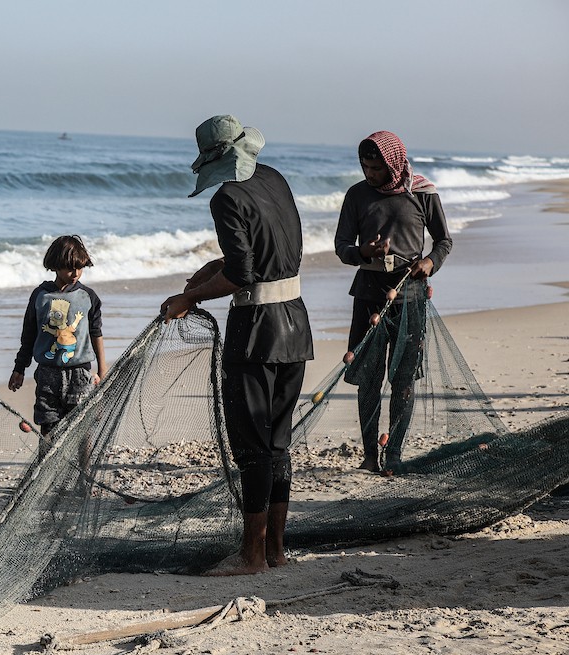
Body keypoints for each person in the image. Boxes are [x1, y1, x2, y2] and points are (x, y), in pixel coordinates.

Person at [161, 115, 314, 576]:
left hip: (257, 332)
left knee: (251, 448)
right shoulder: (274, 178)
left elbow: (243, 274)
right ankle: (276, 551)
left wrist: (188, 298)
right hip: (296, 324)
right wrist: (215, 269)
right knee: (278, 444)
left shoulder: (227, 197)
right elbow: (268, 253)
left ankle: (251, 557)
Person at [334, 131, 453, 475]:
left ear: (394, 164)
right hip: (368, 296)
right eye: (365, 167)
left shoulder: (422, 193)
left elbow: (444, 241)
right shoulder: (356, 195)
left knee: (403, 380)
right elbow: (342, 246)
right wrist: (363, 252)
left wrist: (429, 262)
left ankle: (395, 455)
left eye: (376, 168)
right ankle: (370, 455)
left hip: (410, 295)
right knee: (369, 378)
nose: (370, 174)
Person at [8, 235, 107, 436]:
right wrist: (19, 368)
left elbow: (96, 333)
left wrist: (102, 371)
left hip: (80, 374)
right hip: (47, 374)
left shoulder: (88, 296)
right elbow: (29, 335)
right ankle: (48, 458)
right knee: (48, 427)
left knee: (83, 429)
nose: (75, 273)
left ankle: (84, 459)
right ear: (55, 266)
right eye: (70, 268)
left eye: (80, 267)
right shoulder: (41, 296)